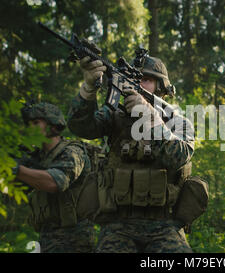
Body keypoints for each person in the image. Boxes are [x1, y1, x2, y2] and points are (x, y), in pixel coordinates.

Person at [67, 54, 195, 253]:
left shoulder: (177, 122)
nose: (139, 84)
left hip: (165, 225)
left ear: (161, 87)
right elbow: (81, 127)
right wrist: (89, 88)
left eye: (146, 80)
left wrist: (149, 116)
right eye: (135, 80)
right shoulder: (114, 116)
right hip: (118, 225)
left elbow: (178, 157)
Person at [15, 102, 97, 253]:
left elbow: (55, 182)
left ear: (53, 125)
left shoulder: (73, 151)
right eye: (28, 124)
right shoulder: (38, 157)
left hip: (75, 238)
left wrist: (16, 170)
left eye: (36, 122)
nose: (30, 127)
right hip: (47, 236)